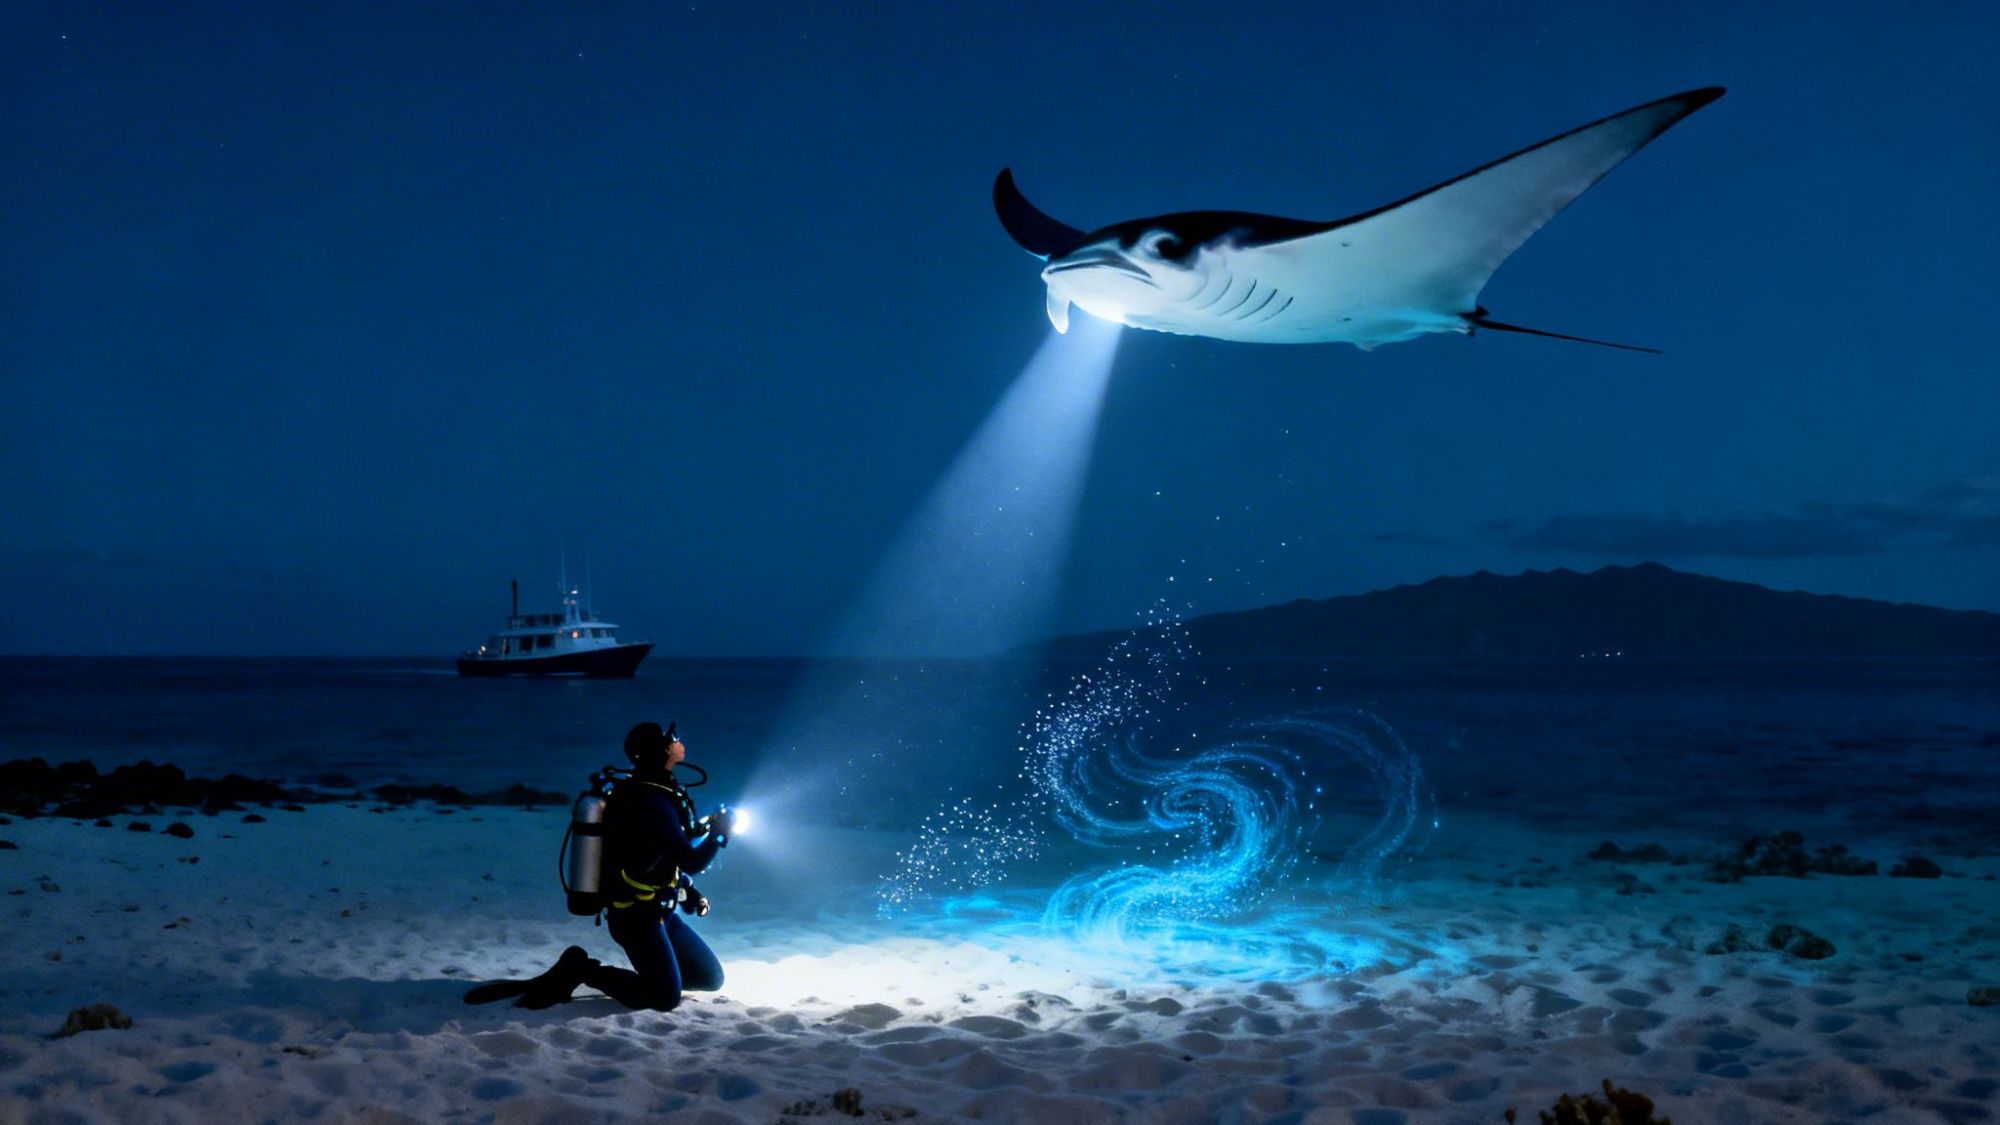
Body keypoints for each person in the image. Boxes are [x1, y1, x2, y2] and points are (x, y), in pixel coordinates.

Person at [466, 721, 734, 1011]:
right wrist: (721, 834)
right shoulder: (651, 801)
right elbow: (691, 861)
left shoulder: (658, 791)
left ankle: (650, 966)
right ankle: (583, 970)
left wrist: (688, 891)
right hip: (636, 918)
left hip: (661, 911)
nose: (679, 741)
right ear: (663, 750)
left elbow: (655, 856)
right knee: (663, 998)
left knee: (709, 978)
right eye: (673, 738)